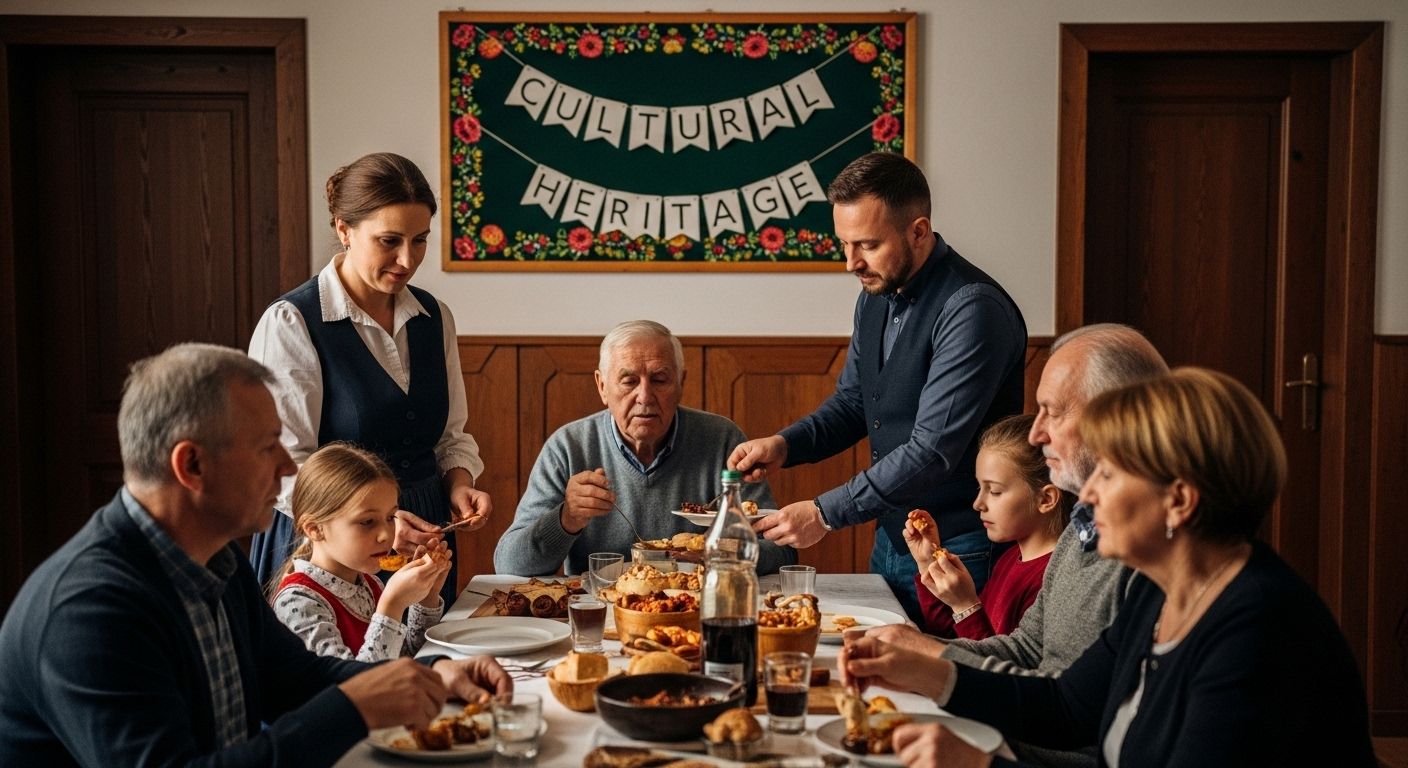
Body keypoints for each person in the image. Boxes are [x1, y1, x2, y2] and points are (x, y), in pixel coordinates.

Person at [0, 343, 510, 767]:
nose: (288, 466)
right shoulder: (90, 609)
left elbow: (297, 679)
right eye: (268, 447)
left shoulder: (218, 562)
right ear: (192, 465)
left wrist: (432, 675)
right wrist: (353, 708)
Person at [840, 368, 1375, 767]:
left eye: (1110, 475)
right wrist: (927, 671)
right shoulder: (1163, 588)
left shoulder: (1257, 631)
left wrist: (984, 764)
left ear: (1179, 501)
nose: (1088, 493)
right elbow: (1067, 705)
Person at [729, 151, 1026, 620]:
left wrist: (825, 512)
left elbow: (932, 450)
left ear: (919, 231)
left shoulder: (973, 310)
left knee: (941, 686)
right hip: (890, 539)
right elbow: (853, 403)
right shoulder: (878, 293)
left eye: (867, 244)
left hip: (959, 548)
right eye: (845, 245)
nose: (851, 263)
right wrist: (785, 445)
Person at [248, 152, 490, 606]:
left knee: (422, 666)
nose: (407, 259)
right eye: (389, 240)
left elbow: (451, 436)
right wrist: (376, 522)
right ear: (344, 229)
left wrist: (459, 483)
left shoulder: (434, 317)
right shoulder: (292, 322)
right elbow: (282, 467)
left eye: (419, 241)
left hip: (423, 543)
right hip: (328, 556)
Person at [869, 325, 1168, 689]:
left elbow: (1068, 706)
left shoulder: (1144, 555)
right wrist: (923, 651)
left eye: (1052, 412)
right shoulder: (1081, 529)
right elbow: (1027, 649)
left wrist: (933, 659)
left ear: (1118, 417)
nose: (1036, 434)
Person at [495, 320, 796, 576]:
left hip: (697, 609)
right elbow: (508, 564)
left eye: (660, 379)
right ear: (602, 387)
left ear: (681, 382)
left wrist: (719, 552)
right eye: (628, 381)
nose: (645, 396)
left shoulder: (722, 440)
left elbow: (781, 549)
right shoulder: (569, 447)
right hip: (602, 613)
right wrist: (566, 519)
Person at [272, 443, 451, 661]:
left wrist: (427, 597)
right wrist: (392, 607)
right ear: (315, 529)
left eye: (390, 517)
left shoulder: (370, 584)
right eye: (367, 521)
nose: (386, 535)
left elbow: (405, 661)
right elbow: (356, 688)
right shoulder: (299, 602)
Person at [903, 414, 1071, 639]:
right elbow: (955, 643)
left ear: (1046, 499)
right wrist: (928, 562)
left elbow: (997, 668)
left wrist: (966, 605)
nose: (978, 503)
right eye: (979, 488)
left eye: (994, 491)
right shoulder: (1010, 558)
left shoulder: (1053, 578)